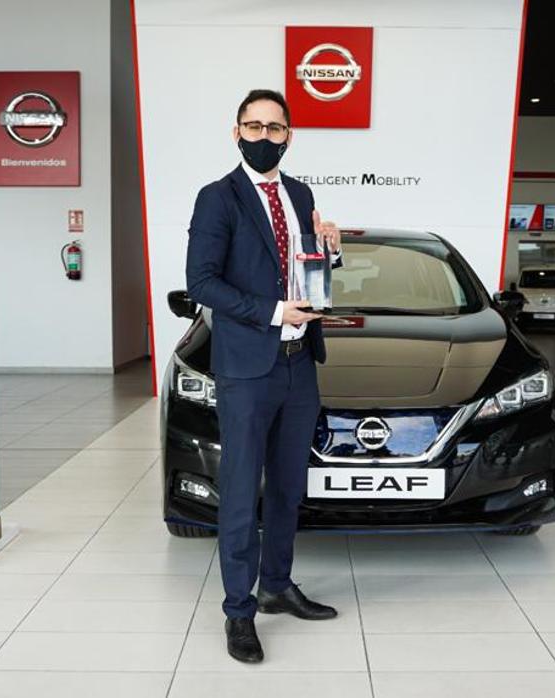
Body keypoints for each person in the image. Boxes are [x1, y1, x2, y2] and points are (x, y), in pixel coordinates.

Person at [185, 89, 342, 665]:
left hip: (300, 364)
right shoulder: (217, 198)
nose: (264, 136)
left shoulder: (300, 194)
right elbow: (202, 282)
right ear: (236, 133)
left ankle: (276, 585)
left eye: (274, 128)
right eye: (253, 126)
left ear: (289, 136)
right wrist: (275, 312)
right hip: (248, 367)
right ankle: (238, 611)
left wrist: (331, 251)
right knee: (241, 490)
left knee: (285, 486)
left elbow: (304, 271)